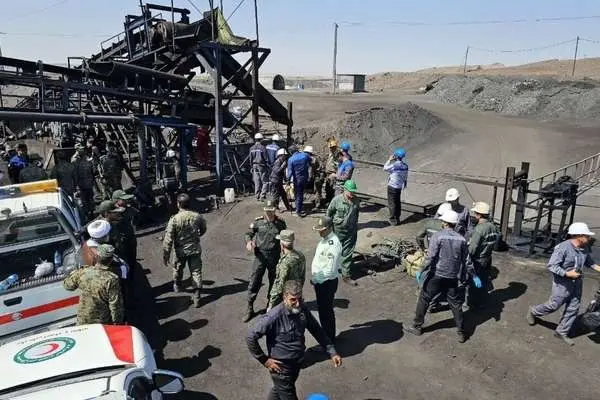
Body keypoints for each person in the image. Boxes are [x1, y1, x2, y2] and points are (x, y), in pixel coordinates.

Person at [247, 280, 342, 400]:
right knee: (286, 392)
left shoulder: (302, 309)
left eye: (299, 298)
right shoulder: (274, 316)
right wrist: (264, 360)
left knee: (278, 391)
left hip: (296, 363)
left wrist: (332, 352)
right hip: (281, 369)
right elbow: (250, 337)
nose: (297, 303)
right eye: (293, 300)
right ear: (284, 297)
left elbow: (317, 330)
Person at [405, 210, 480, 343]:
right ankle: (461, 332)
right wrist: (474, 276)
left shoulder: (437, 237)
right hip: (452, 277)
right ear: (455, 224)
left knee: (424, 298)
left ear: (445, 223)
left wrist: (421, 270)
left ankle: (417, 326)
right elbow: (467, 261)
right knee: (455, 304)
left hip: (437, 274)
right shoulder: (462, 240)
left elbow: (430, 257)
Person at [527, 222, 600, 346]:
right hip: (562, 284)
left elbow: (590, 262)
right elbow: (552, 266)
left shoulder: (585, 248)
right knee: (553, 305)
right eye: (587, 235)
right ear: (579, 236)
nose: (589, 238)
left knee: (573, 308)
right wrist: (567, 274)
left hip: (577, 283)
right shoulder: (563, 248)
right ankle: (533, 311)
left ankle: (561, 332)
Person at [244, 200, 287, 322]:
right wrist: (249, 241)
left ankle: (271, 306)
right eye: (267, 211)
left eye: (271, 210)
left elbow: (284, 238)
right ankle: (249, 307)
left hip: (274, 257)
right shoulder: (258, 222)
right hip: (260, 256)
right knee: (254, 281)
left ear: (275, 210)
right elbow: (248, 233)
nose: (269, 213)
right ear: (264, 210)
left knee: (274, 282)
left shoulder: (280, 224)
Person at [163, 193, 207, 307]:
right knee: (196, 272)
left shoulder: (174, 219)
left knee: (178, 269)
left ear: (178, 204)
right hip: (194, 249)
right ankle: (197, 296)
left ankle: (177, 285)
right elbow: (203, 229)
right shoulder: (197, 216)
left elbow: (168, 239)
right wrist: (197, 236)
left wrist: (166, 254)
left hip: (180, 251)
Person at [63, 244, 124, 325]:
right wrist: (117, 323)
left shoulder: (83, 272)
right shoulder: (112, 279)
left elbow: (67, 286)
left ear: (96, 257)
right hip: (102, 323)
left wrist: (74, 273)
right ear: (111, 259)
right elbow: (115, 305)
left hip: (83, 321)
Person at [311, 216, 342, 343]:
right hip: (321, 282)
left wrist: (316, 279)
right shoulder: (325, 239)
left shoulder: (333, 244)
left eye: (322, 230)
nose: (319, 232)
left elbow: (330, 270)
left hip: (326, 283)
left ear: (329, 228)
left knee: (325, 313)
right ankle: (329, 338)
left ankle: (328, 341)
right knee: (324, 311)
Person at [326, 179, 360, 286]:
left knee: (348, 254)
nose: (352, 194)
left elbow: (356, 214)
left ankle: (346, 275)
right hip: (337, 231)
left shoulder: (356, 200)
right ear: (345, 190)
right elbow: (329, 214)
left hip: (350, 232)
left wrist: (355, 227)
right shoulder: (336, 200)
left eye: (353, 191)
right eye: (350, 191)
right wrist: (328, 229)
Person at [467, 201, 500, 309]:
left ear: (479, 215)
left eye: (475, 213)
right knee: (484, 279)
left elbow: (472, 248)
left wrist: (466, 257)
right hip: (488, 257)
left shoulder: (479, 229)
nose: (474, 215)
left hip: (478, 260)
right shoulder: (493, 227)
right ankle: (481, 301)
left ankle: (472, 303)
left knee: (473, 281)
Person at [267, 230, 306, 310]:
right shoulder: (300, 255)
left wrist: (271, 303)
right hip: (297, 293)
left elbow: (279, 284)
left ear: (281, 245)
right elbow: (303, 276)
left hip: (288, 297)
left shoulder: (285, 261)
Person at [112, 189, 138, 269]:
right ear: (116, 201)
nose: (126, 201)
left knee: (132, 261)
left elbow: (136, 214)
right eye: (123, 200)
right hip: (120, 243)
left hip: (131, 238)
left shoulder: (128, 209)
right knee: (123, 263)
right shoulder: (111, 213)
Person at [383, 148, 408, 226]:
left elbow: (385, 168)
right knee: (397, 202)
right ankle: (397, 218)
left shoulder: (394, 165)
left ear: (396, 156)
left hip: (392, 186)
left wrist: (389, 160)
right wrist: (404, 183)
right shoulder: (405, 166)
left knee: (392, 203)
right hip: (399, 186)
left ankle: (393, 220)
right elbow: (405, 177)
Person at [286, 145, 311, 217]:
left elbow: (290, 172)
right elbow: (310, 162)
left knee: (298, 194)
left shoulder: (291, 159)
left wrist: (288, 181)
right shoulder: (305, 155)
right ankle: (299, 207)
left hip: (297, 179)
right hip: (304, 178)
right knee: (301, 193)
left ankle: (298, 210)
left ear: (291, 152)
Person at [73, 144, 96, 221]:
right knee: (83, 200)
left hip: (89, 183)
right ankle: (86, 215)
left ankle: (92, 212)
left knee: (90, 198)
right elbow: (74, 173)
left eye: (82, 149)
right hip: (81, 184)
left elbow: (91, 170)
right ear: (77, 150)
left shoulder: (86, 158)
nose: (82, 150)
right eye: (80, 149)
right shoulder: (74, 160)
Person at [269, 148, 293, 212]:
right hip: (275, 181)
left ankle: (288, 207)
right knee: (276, 195)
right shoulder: (278, 162)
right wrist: (282, 166)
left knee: (283, 195)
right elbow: (277, 171)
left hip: (279, 181)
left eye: (285, 156)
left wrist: (286, 180)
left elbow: (283, 172)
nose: (285, 157)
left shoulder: (282, 162)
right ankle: (276, 208)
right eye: (284, 155)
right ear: (280, 155)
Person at [250, 133, 269, 201]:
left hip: (254, 165)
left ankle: (257, 195)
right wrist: (268, 165)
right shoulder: (262, 148)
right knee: (265, 181)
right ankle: (262, 195)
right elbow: (266, 158)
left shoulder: (251, 148)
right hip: (262, 165)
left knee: (257, 181)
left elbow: (250, 158)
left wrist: (251, 167)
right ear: (261, 139)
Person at [324, 138, 340, 205]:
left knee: (332, 188)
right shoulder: (330, 153)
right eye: (330, 147)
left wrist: (336, 172)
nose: (331, 148)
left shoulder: (337, 154)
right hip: (328, 172)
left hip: (333, 172)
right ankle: (328, 199)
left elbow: (338, 164)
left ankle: (331, 201)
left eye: (332, 147)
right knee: (327, 187)